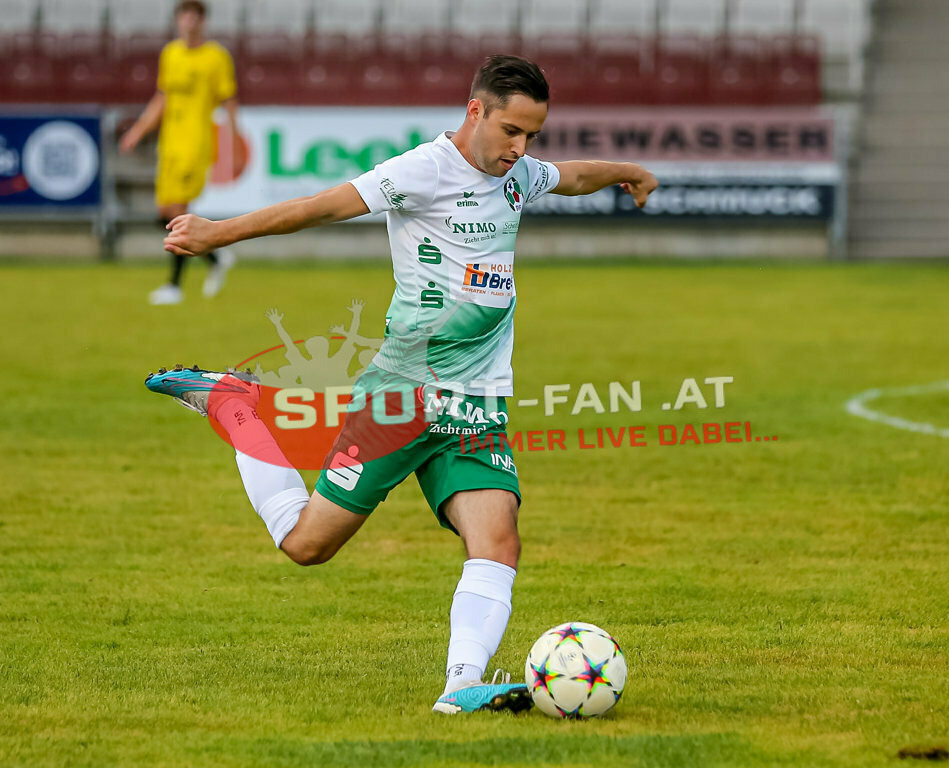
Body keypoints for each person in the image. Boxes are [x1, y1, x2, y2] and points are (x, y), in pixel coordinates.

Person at [144, 55, 658, 714]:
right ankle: (234, 407)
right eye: (511, 131)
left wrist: (627, 174)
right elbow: (319, 206)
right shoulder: (423, 170)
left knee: (498, 538)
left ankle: (461, 685)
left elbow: (572, 176)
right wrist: (219, 230)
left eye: (532, 134)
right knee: (307, 545)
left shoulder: (517, 175)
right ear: (475, 111)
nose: (521, 149)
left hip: (476, 404)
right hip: (404, 396)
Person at [119, 0, 239, 305]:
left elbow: (229, 101)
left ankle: (174, 286)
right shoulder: (170, 54)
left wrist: (234, 142)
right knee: (164, 214)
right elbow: (162, 98)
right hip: (169, 144)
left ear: (202, 21)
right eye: (183, 17)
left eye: (192, 17)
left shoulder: (216, 57)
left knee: (178, 214)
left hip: (195, 145)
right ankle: (215, 257)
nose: (187, 22)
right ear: (177, 21)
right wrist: (137, 131)